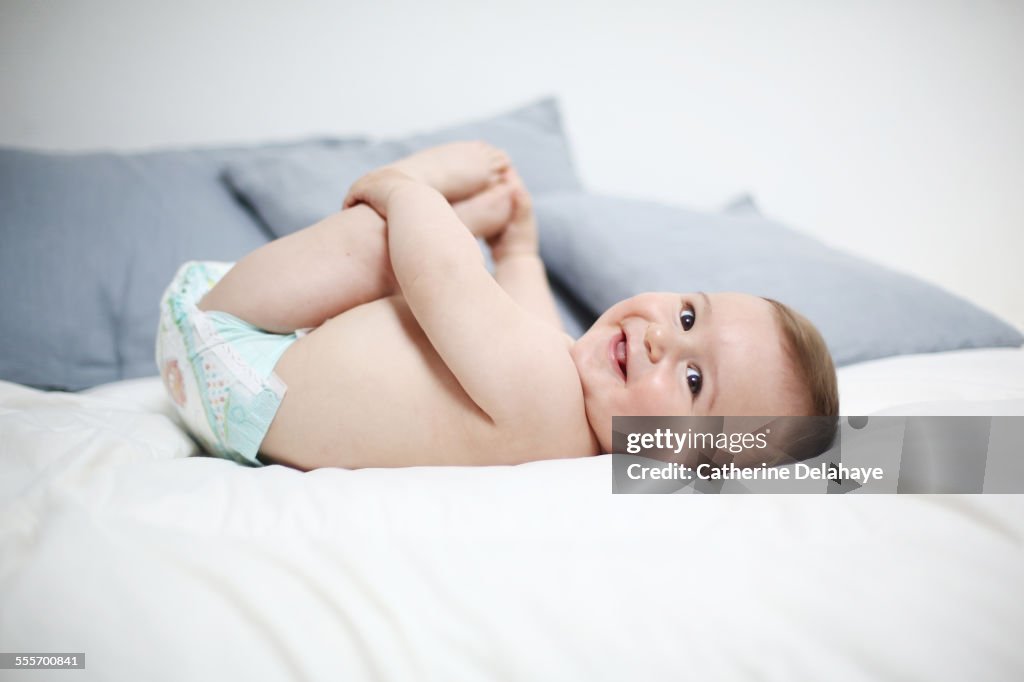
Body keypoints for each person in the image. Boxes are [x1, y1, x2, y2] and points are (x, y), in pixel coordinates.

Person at [156, 142, 838, 470]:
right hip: (246, 404)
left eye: (694, 381)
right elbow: (536, 328)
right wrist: (518, 254)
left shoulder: (544, 394)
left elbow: (446, 275)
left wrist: (406, 189)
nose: (666, 339)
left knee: (393, 246)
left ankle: (409, 184)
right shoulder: (559, 423)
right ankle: (468, 214)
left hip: (230, 346)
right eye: (690, 315)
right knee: (432, 286)